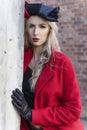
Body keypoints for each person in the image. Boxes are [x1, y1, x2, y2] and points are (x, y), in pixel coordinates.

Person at [11, 1, 84, 130]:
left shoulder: (62, 63)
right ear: (26, 29)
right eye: (31, 26)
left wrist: (31, 114)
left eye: (42, 27)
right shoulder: (18, 58)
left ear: (50, 30)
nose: (36, 32)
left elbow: (73, 109)